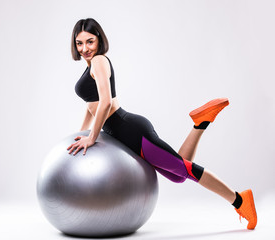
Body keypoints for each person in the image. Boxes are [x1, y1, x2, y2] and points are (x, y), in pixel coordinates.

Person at [67, 18, 257, 230]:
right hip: (126, 130)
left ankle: (241, 200)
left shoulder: (100, 61)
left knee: (187, 170)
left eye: (90, 42)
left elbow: (105, 102)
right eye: (79, 43)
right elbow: (91, 105)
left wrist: (91, 137)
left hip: (131, 131)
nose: (85, 48)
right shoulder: (90, 65)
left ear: (100, 40)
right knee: (179, 176)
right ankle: (200, 123)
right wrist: (81, 132)